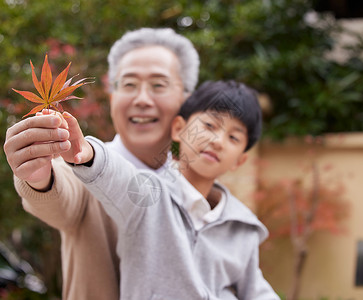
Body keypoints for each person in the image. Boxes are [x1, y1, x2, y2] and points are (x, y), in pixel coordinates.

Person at [3, 27, 200, 300]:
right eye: (129, 84)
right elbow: (63, 194)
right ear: (112, 94)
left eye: (158, 85)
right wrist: (38, 177)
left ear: (186, 99)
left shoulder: (196, 189)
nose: (142, 99)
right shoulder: (84, 164)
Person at [60, 80, 280, 299]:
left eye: (233, 137)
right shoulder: (149, 196)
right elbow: (118, 177)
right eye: (210, 126)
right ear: (179, 129)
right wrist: (89, 154)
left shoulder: (242, 227)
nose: (218, 141)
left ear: (239, 161)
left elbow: (256, 290)